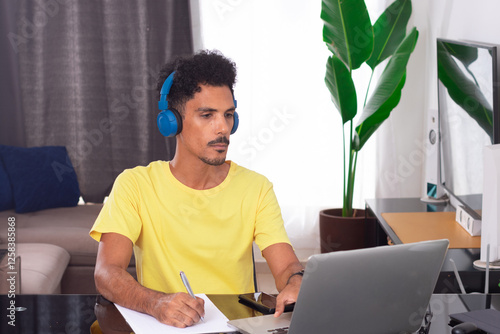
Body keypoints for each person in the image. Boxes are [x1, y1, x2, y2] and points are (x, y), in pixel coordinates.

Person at [90, 50, 303, 328]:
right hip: (165, 327)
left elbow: (285, 265)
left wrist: (296, 282)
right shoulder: (135, 185)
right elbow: (106, 273)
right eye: (207, 115)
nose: (222, 128)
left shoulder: (256, 188)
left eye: (228, 115)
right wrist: (156, 303)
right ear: (172, 122)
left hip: (234, 327)